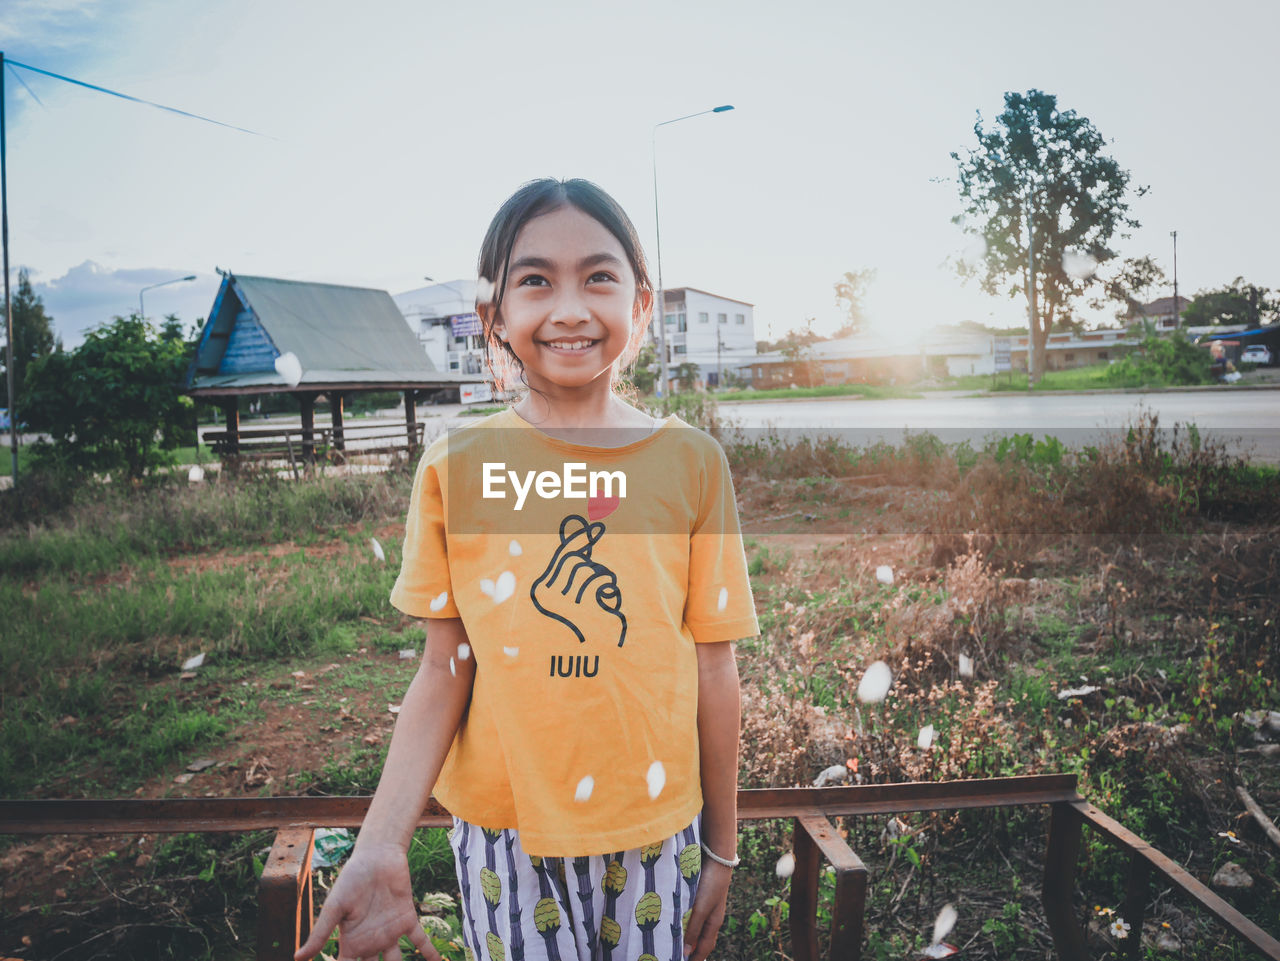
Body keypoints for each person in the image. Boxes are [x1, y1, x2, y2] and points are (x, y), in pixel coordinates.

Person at [296, 178, 758, 961]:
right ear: (494, 316)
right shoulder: (457, 465)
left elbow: (717, 669)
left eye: (599, 277)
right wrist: (379, 841)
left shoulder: (692, 464)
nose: (570, 307)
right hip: (508, 840)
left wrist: (721, 846)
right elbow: (446, 666)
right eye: (536, 279)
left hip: (657, 831)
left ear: (641, 307)